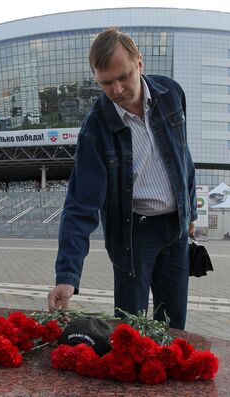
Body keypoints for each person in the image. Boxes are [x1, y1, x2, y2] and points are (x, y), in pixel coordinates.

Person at [47, 29, 197, 329]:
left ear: (139, 63)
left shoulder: (171, 94)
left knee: (174, 324)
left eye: (124, 77)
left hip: (176, 229)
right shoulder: (96, 129)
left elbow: (183, 158)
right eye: (106, 82)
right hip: (133, 234)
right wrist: (67, 277)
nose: (116, 89)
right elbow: (80, 204)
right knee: (131, 327)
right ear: (95, 79)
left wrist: (190, 211)